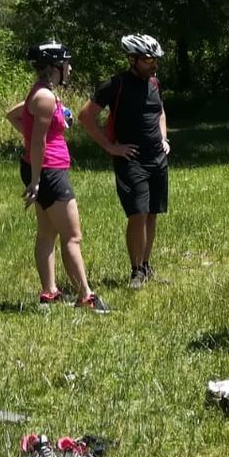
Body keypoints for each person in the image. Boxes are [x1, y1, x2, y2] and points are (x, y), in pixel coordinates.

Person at [4, 42, 108, 313]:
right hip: (49, 172)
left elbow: (14, 116)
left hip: (44, 169)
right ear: (53, 67)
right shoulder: (45, 98)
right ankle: (86, 297)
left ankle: (49, 292)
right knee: (72, 236)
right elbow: (38, 142)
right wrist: (36, 180)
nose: (69, 68)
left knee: (47, 232)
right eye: (66, 64)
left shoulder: (42, 94)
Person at [78, 34, 170, 289]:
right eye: (148, 60)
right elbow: (85, 116)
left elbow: (160, 111)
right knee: (137, 213)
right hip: (132, 160)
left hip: (157, 158)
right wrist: (111, 147)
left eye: (155, 59)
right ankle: (136, 270)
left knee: (152, 213)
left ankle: (146, 266)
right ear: (132, 59)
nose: (153, 64)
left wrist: (164, 138)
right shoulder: (114, 85)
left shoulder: (154, 83)